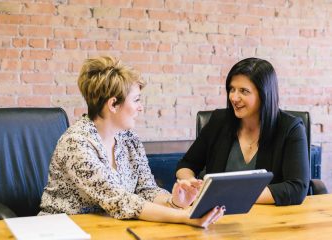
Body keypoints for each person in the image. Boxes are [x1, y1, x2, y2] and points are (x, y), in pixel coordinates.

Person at [39, 56, 225, 228]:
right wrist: (185, 216)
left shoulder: (129, 139)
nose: (140, 107)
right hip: (61, 230)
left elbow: (146, 189)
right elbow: (119, 201)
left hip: (110, 228)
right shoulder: (76, 143)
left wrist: (175, 202)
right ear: (113, 105)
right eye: (136, 100)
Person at [176, 58, 310, 206]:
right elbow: (186, 164)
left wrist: (231, 195)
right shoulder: (219, 121)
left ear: (264, 94)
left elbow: (297, 188)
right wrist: (189, 181)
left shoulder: (290, 128)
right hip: (217, 216)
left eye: (244, 91)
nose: (234, 97)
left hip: (269, 219)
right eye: (232, 89)